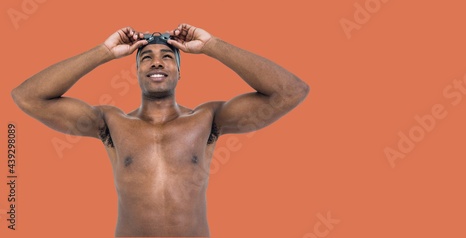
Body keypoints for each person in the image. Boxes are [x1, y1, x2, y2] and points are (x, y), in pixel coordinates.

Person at [11, 24, 309, 237]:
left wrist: (210, 45)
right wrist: (103, 52)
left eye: (167, 57)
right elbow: (28, 97)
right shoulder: (111, 123)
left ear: (179, 71)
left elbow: (290, 92)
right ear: (137, 72)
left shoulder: (208, 119)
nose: (157, 61)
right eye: (146, 57)